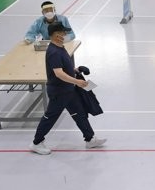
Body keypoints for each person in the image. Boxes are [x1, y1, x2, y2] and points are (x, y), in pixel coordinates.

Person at [29, 22, 105, 155]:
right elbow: (58, 73)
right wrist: (77, 81)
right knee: (51, 116)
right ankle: (36, 143)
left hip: (68, 90)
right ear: (56, 34)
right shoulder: (53, 52)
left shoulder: (60, 47)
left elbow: (64, 67)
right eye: (63, 32)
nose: (65, 34)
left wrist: (76, 69)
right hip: (59, 92)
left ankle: (90, 139)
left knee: (79, 113)